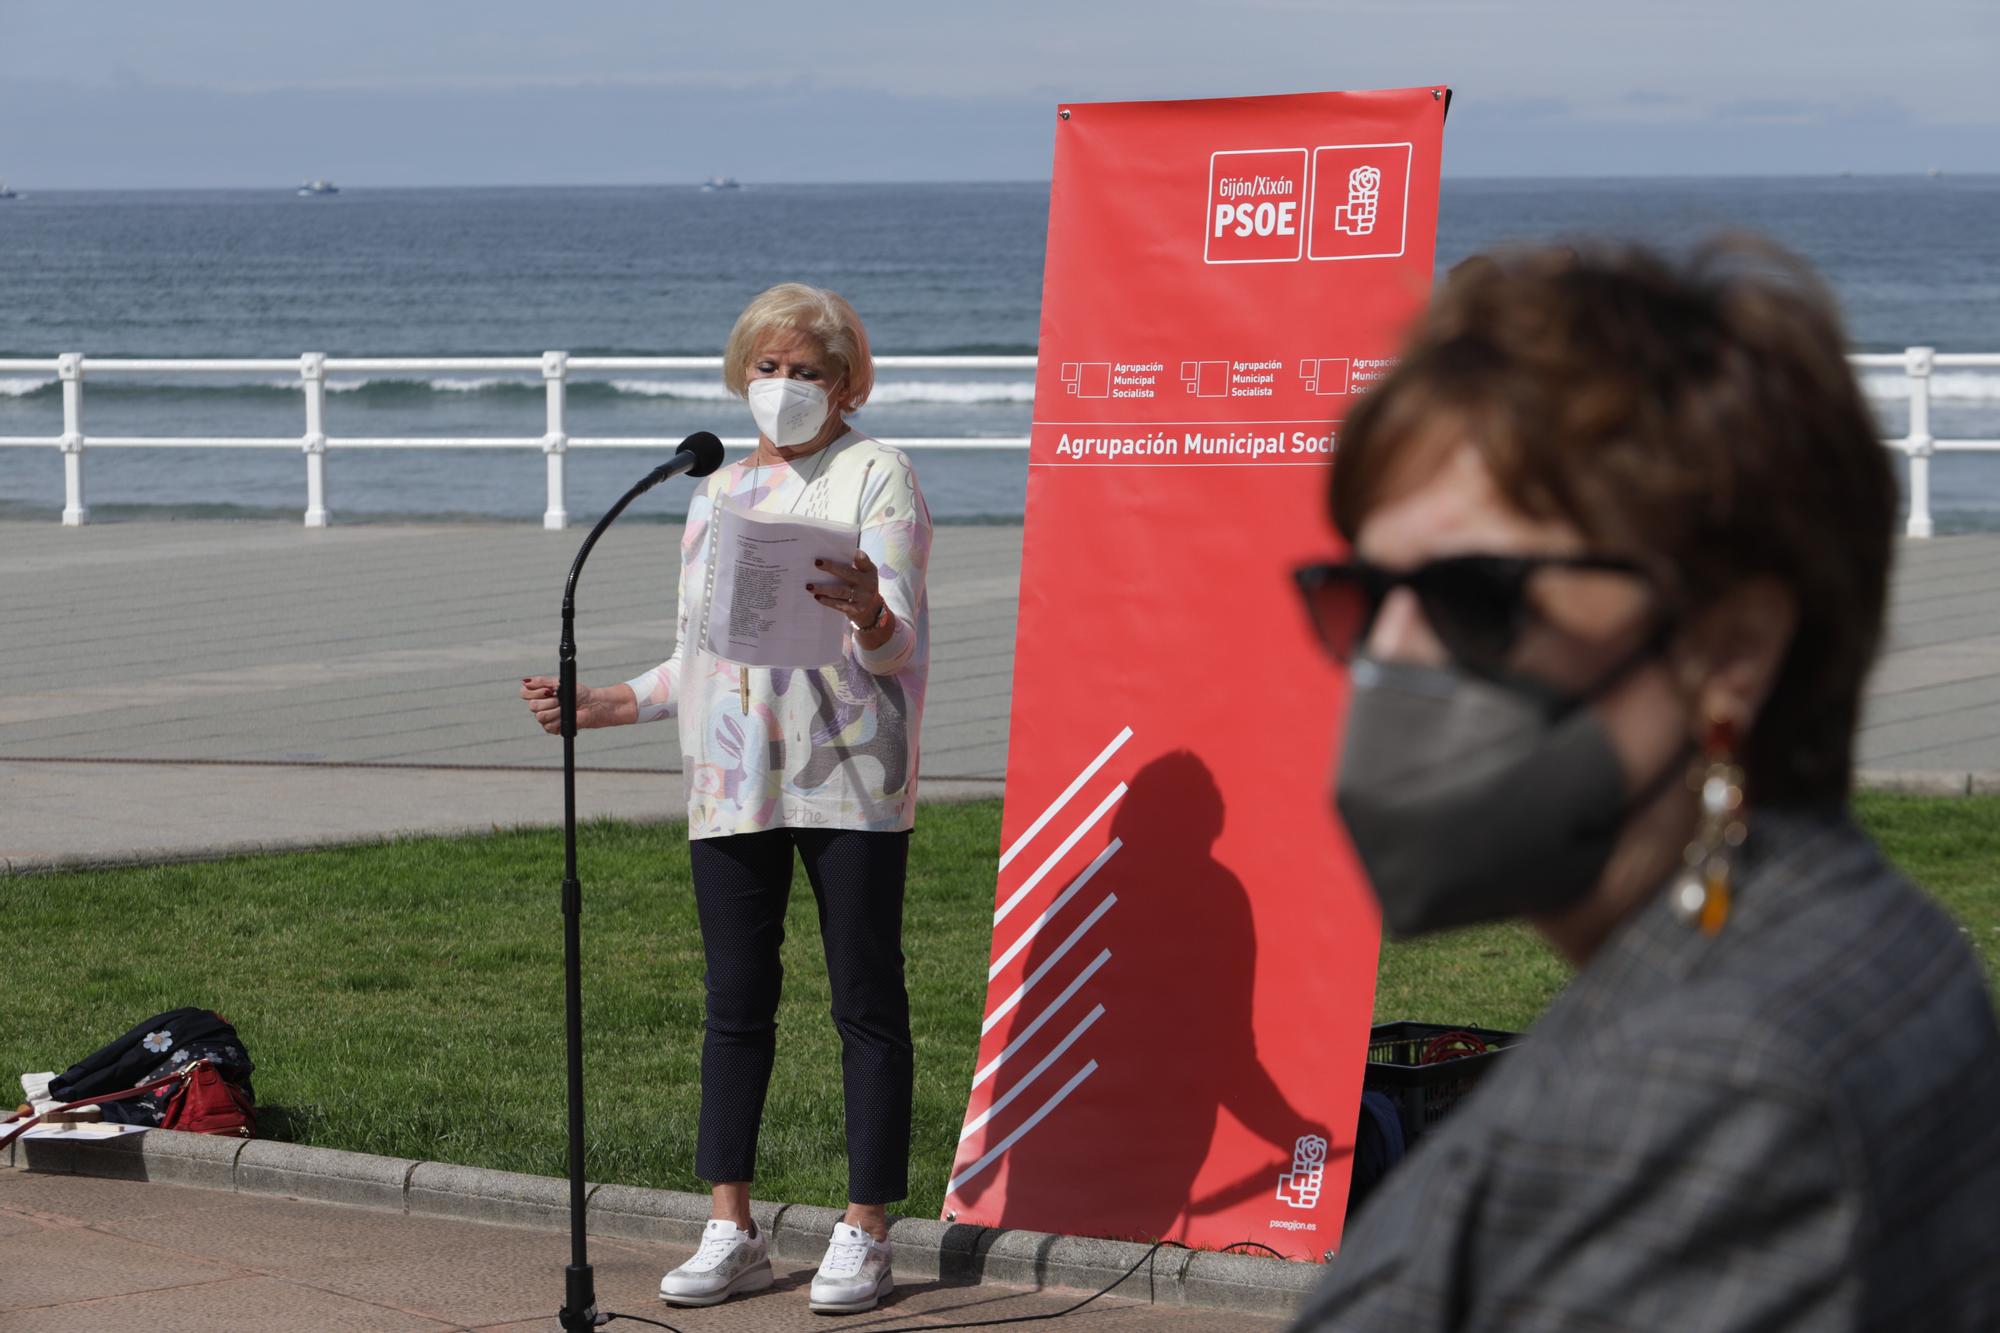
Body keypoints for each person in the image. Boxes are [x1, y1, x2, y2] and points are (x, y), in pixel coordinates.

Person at [1290, 240, 2000, 1330]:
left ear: (1729, 647)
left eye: (1472, 597)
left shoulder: (1711, 1089)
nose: (1390, 655)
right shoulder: (1853, 936)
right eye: (1363, 593)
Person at [522, 283, 930, 1315]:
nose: (783, 388)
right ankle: (728, 1226)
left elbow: (898, 643)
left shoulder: (875, 473)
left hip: (849, 774)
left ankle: (866, 1228)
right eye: (767, 367)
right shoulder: (714, 493)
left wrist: (870, 608)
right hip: (731, 778)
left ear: (845, 384)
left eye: (805, 371)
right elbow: (697, 657)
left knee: (863, 1001)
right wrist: (607, 700)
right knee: (734, 1005)